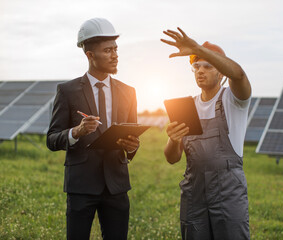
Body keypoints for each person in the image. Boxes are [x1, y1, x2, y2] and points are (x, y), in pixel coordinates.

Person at [47, 18, 139, 240]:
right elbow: (51, 139)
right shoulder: (67, 91)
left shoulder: (129, 92)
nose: (115, 55)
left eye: (116, 49)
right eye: (108, 50)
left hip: (117, 186)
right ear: (90, 55)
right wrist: (75, 132)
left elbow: (133, 139)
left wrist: (133, 146)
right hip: (81, 185)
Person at [161, 27, 252, 239]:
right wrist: (173, 140)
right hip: (194, 192)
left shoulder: (234, 100)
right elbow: (172, 158)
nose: (200, 70)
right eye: (196, 66)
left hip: (228, 190)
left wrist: (196, 47)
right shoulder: (186, 106)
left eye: (208, 66)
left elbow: (238, 75)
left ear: (220, 71)